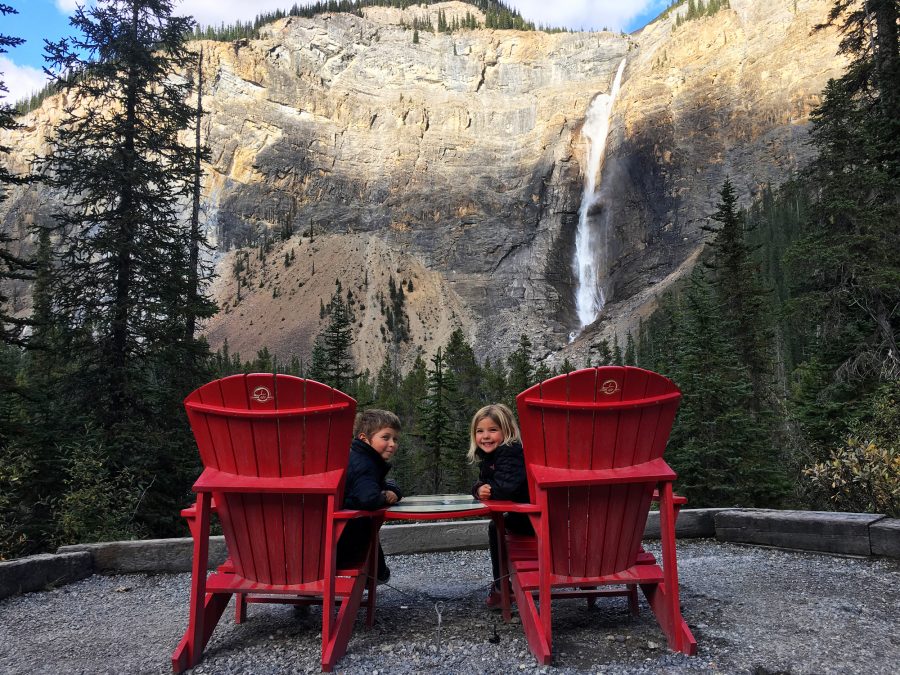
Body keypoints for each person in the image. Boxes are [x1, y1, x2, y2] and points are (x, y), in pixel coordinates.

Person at [469, 403, 534, 606]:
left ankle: (501, 586)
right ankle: (501, 585)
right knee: (497, 525)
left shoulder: (510, 452)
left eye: (493, 430)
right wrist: (479, 488)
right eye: (480, 431)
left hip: (532, 518)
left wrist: (487, 490)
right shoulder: (493, 456)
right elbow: (488, 483)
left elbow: (506, 489)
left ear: (508, 432)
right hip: (529, 515)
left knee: (496, 526)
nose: (485, 436)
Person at [336, 409, 403, 584]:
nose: (392, 444)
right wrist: (384, 496)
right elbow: (369, 498)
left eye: (395, 439)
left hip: (325, 541)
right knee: (368, 528)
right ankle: (376, 575)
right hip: (342, 546)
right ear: (364, 439)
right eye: (386, 437)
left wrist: (391, 489)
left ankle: (377, 574)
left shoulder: (353, 457)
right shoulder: (366, 465)